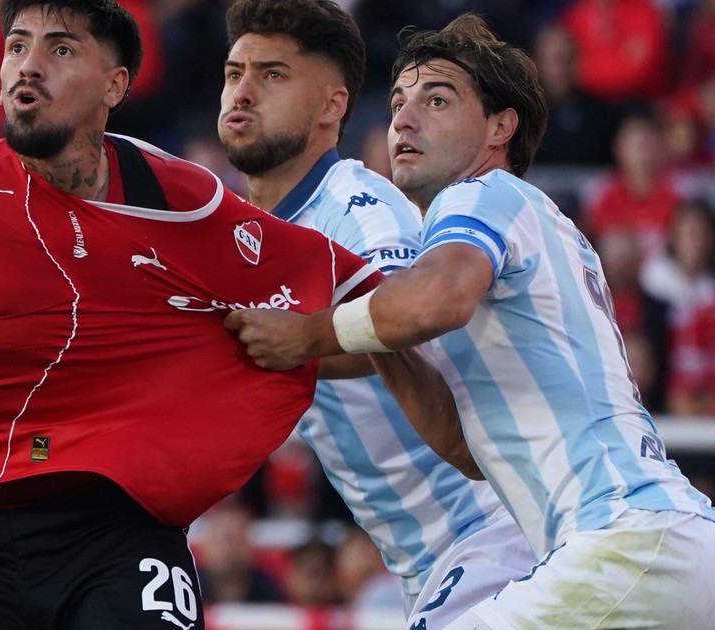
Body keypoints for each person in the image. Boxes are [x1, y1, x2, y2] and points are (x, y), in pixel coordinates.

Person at [0, 1, 462, 628]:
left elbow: (391, 309)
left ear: (115, 86)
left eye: (61, 48)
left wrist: (317, 336)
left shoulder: (183, 203)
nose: (29, 65)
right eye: (17, 45)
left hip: (117, 535)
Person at [227, 14, 715, 628]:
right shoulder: (527, 230)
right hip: (676, 546)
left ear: (499, 127)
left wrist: (307, 334)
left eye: (436, 101)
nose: (404, 120)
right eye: (398, 103)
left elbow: (432, 301)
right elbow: (462, 449)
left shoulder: (482, 195)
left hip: (625, 540)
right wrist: (365, 328)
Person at [216, 1, 537, 626]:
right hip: (426, 560)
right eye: (234, 73)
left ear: (332, 105)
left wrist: (291, 343)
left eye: (272, 74)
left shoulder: (359, 208)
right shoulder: (242, 234)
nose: (244, 92)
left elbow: (405, 323)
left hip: (491, 533)